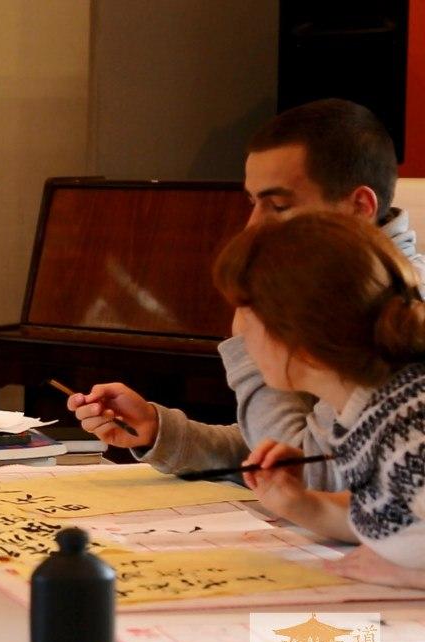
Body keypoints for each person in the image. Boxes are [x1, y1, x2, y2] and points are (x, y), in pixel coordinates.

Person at [68, 99, 422, 491]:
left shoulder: (399, 310)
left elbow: (309, 474)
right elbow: (278, 451)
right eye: (253, 202)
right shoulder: (333, 286)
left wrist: (250, 341)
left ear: (359, 207)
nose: (252, 225)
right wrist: (160, 432)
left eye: (279, 205)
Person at [213, 213, 425, 588]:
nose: (240, 336)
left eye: (248, 318)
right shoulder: (367, 413)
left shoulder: (410, 430)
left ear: (305, 345)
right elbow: (393, 519)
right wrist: (302, 504)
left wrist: (405, 574)